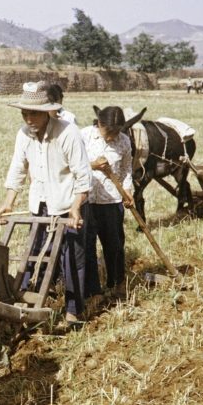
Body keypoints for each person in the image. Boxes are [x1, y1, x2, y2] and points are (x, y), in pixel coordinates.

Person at [0, 81, 92, 323]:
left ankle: (74, 310)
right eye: (25, 113)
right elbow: (18, 168)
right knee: (35, 254)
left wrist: (76, 208)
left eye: (34, 114)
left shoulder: (67, 132)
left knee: (71, 259)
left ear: (48, 111)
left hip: (68, 205)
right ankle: (28, 302)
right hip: (39, 205)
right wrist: (8, 202)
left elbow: (83, 175)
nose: (29, 119)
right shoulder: (23, 135)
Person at [80, 105, 134, 296]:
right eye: (108, 131)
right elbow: (71, 165)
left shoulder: (124, 141)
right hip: (85, 200)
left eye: (116, 132)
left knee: (114, 245)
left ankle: (117, 284)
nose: (112, 137)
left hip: (111, 201)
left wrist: (128, 191)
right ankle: (92, 291)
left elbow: (127, 169)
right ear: (100, 124)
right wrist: (93, 165)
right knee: (86, 247)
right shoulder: (83, 136)